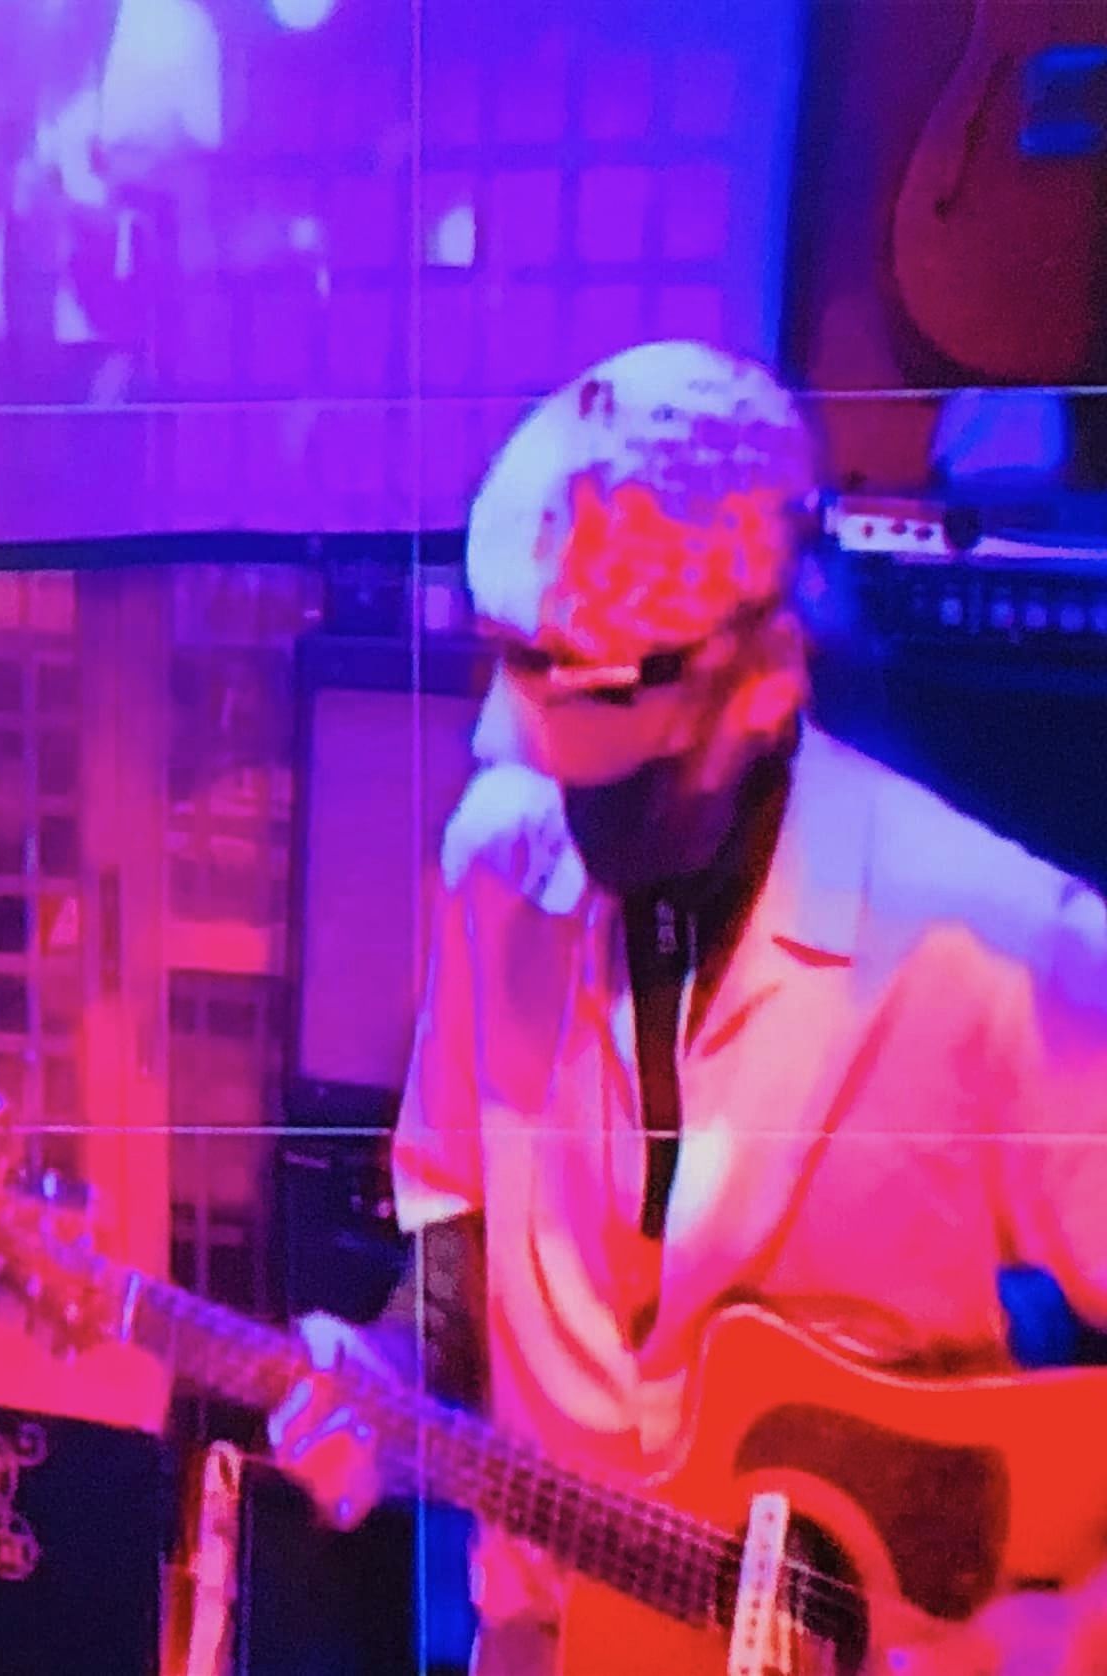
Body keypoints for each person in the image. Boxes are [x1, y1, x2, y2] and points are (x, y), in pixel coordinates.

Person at [268, 341, 1107, 1675]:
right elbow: (458, 1243)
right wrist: (386, 1371)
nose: (571, 804)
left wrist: (1057, 1639)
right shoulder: (498, 863)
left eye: (618, 764)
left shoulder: (993, 948)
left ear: (757, 686)